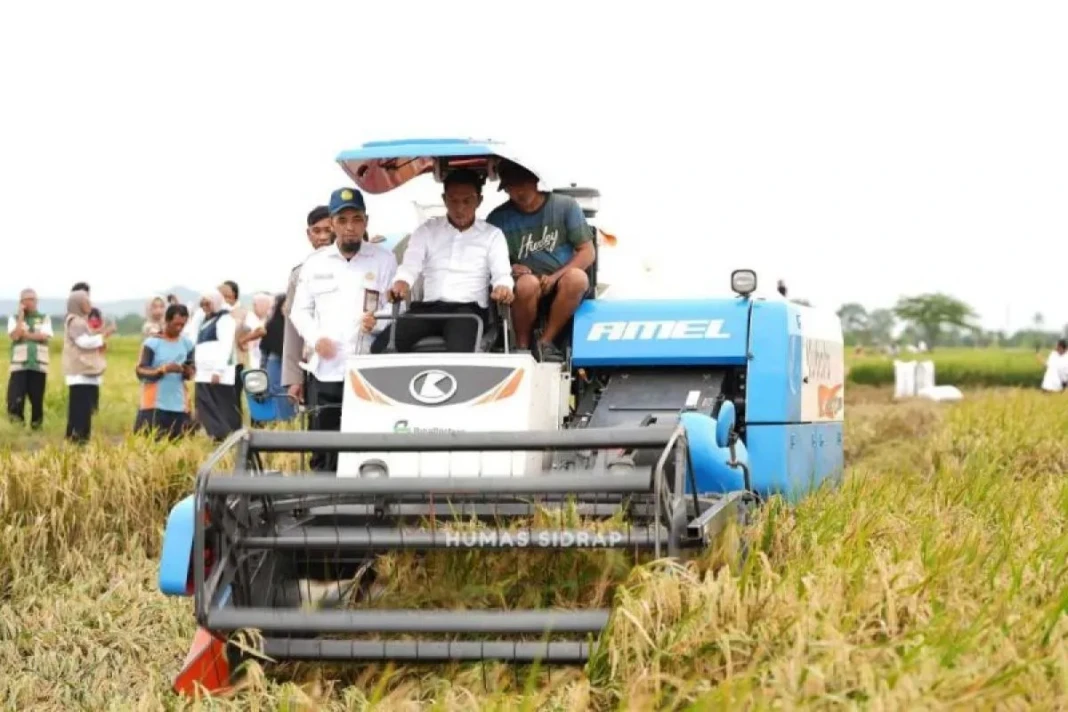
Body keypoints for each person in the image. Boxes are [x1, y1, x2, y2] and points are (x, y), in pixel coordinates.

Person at [289, 187, 397, 471]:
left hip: (368, 369)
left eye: (357, 219)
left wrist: (379, 320)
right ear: (333, 223)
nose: (350, 227)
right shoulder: (315, 263)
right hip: (326, 370)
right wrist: (316, 338)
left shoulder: (384, 259)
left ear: (366, 221)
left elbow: (398, 310)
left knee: (367, 442)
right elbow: (299, 311)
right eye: (343, 220)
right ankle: (324, 506)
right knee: (324, 447)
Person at [375, 169, 513, 353]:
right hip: (427, 310)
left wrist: (503, 287)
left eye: (467, 201)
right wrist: (401, 283)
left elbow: (502, 273)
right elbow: (409, 266)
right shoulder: (426, 231)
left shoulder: (492, 235)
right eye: (453, 201)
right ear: (444, 199)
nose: (460, 208)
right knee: (381, 347)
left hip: (468, 312)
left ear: (479, 201)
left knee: (460, 352)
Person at [486, 159, 595, 362]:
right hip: (525, 284)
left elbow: (587, 252)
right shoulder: (498, 218)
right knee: (527, 284)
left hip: (561, 278)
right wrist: (510, 268)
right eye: (511, 187)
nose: (518, 192)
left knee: (577, 279)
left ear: (535, 181)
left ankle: (545, 342)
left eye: (522, 184)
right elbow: (489, 260)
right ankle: (522, 347)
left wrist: (554, 278)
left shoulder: (565, 206)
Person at [282, 205, 335, 406]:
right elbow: (293, 328)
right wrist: (293, 378)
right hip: (316, 366)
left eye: (328, 230)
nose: (322, 237)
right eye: (317, 231)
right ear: (308, 234)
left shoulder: (360, 264)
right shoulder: (299, 274)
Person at [134, 304, 197, 440]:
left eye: (183, 325)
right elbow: (140, 370)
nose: (179, 328)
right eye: (176, 324)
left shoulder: (187, 344)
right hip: (154, 404)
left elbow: (191, 371)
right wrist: (162, 370)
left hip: (179, 404)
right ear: (166, 321)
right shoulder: (152, 343)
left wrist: (185, 370)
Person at [61, 289, 115, 443]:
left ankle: (75, 437)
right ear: (78, 304)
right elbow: (84, 342)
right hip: (81, 371)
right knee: (81, 408)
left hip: (83, 372)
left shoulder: (78, 320)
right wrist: (103, 336)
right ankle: (79, 438)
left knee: (80, 407)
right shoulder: (76, 321)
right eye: (86, 302)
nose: (89, 304)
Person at [192, 289, 241, 441]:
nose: (205, 306)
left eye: (208, 303)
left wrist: (218, 371)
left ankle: (225, 436)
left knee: (220, 406)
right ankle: (216, 435)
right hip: (203, 373)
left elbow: (226, 347)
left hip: (218, 373)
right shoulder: (206, 320)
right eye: (203, 304)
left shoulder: (225, 320)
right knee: (205, 405)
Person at [6, 288, 53, 430]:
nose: (30, 302)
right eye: (27, 299)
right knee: (15, 398)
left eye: (33, 299)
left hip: (38, 364)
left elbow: (44, 336)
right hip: (20, 364)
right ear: (21, 302)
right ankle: (16, 428)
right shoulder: (14, 318)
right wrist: (21, 317)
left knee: (37, 399)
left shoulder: (44, 318)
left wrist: (25, 334)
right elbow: (15, 335)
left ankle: (36, 428)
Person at [256, 293, 297, 422]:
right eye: (284, 305)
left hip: (293, 362)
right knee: (276, 391)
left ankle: (289, 421)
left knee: (289, 392)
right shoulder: (272, 324)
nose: (286, 308)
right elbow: (265, 349)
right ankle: (280, 421)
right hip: (275, 360)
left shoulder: (298, 324)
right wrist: (262, 368)